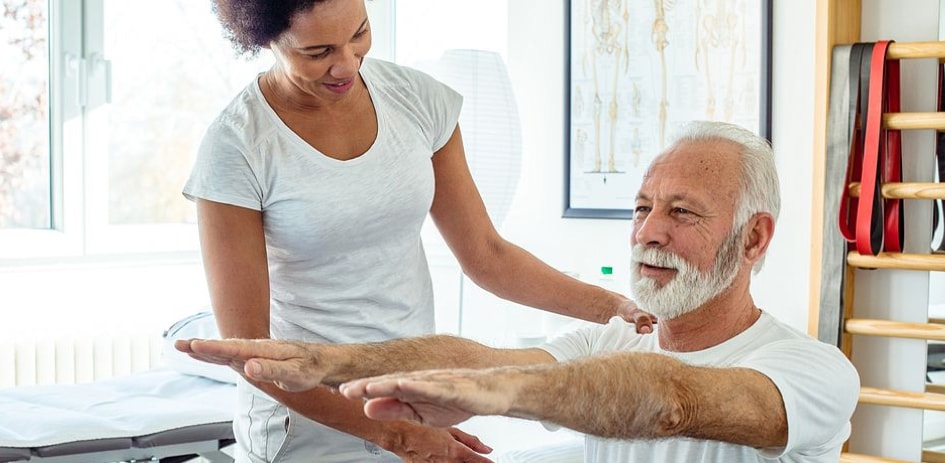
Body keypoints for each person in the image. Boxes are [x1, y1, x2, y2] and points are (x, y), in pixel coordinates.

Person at [179, 121, 861, 462]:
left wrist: (506, 393)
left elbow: (670, 400)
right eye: (640, 207)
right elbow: (483, 357)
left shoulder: (809, 371)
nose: (647, 233)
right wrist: (334, 361)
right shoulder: (612, 336)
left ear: (753, 238)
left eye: (681, 213)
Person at [182, 1, 654, 462]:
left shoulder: (417, 100)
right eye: (318, 52)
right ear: (266, 38)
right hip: (308, 422)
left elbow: (488, 254)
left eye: (359, 33)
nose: (346, 64)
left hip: (411, 393)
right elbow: (249, 350)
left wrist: (613, 308)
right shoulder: (236, 146)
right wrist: (395, 435)